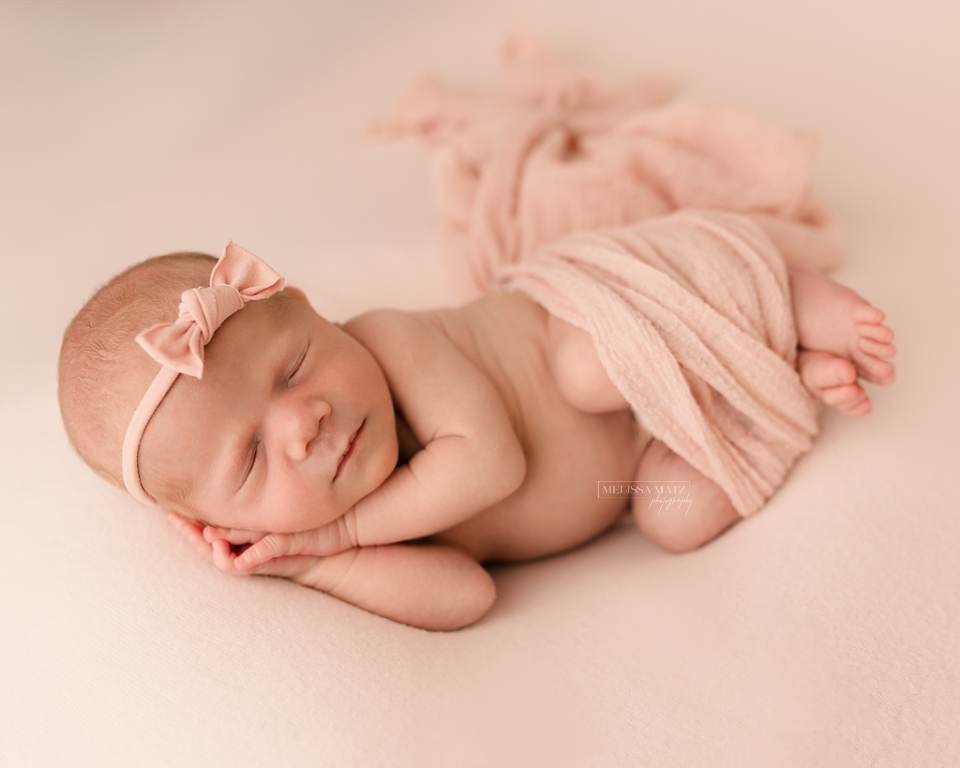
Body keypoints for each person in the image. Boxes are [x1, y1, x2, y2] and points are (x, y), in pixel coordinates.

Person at [57, 234, 895, 631]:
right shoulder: (347, 530)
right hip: (635, 463)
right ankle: (766, 379)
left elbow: (490, 464)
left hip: (599, 322)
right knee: (676, 517)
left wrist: (345, 524)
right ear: (225, 523)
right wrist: (323, 563)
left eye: (293, 367)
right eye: (249, 457)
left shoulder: (389, 342)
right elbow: (467, 595)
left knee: (585, 372)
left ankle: (772, 295)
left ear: (314, 311)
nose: (303, 421)